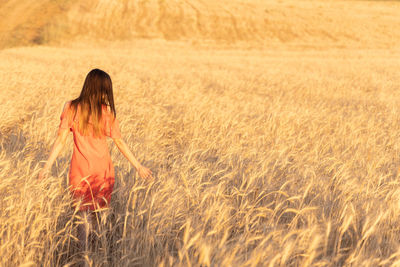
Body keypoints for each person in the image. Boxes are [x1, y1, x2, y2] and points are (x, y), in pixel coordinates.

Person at [37, 68, 153, 263]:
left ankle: (84, 258)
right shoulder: (106, 112)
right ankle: (99, 257)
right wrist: (138, 166)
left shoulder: (70, 107)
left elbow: (60, 140)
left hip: (79, 170)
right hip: (103, 171)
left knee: (82, 218)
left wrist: (47, 166)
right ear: (100, 89)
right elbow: (120, 142)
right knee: (99, 217)